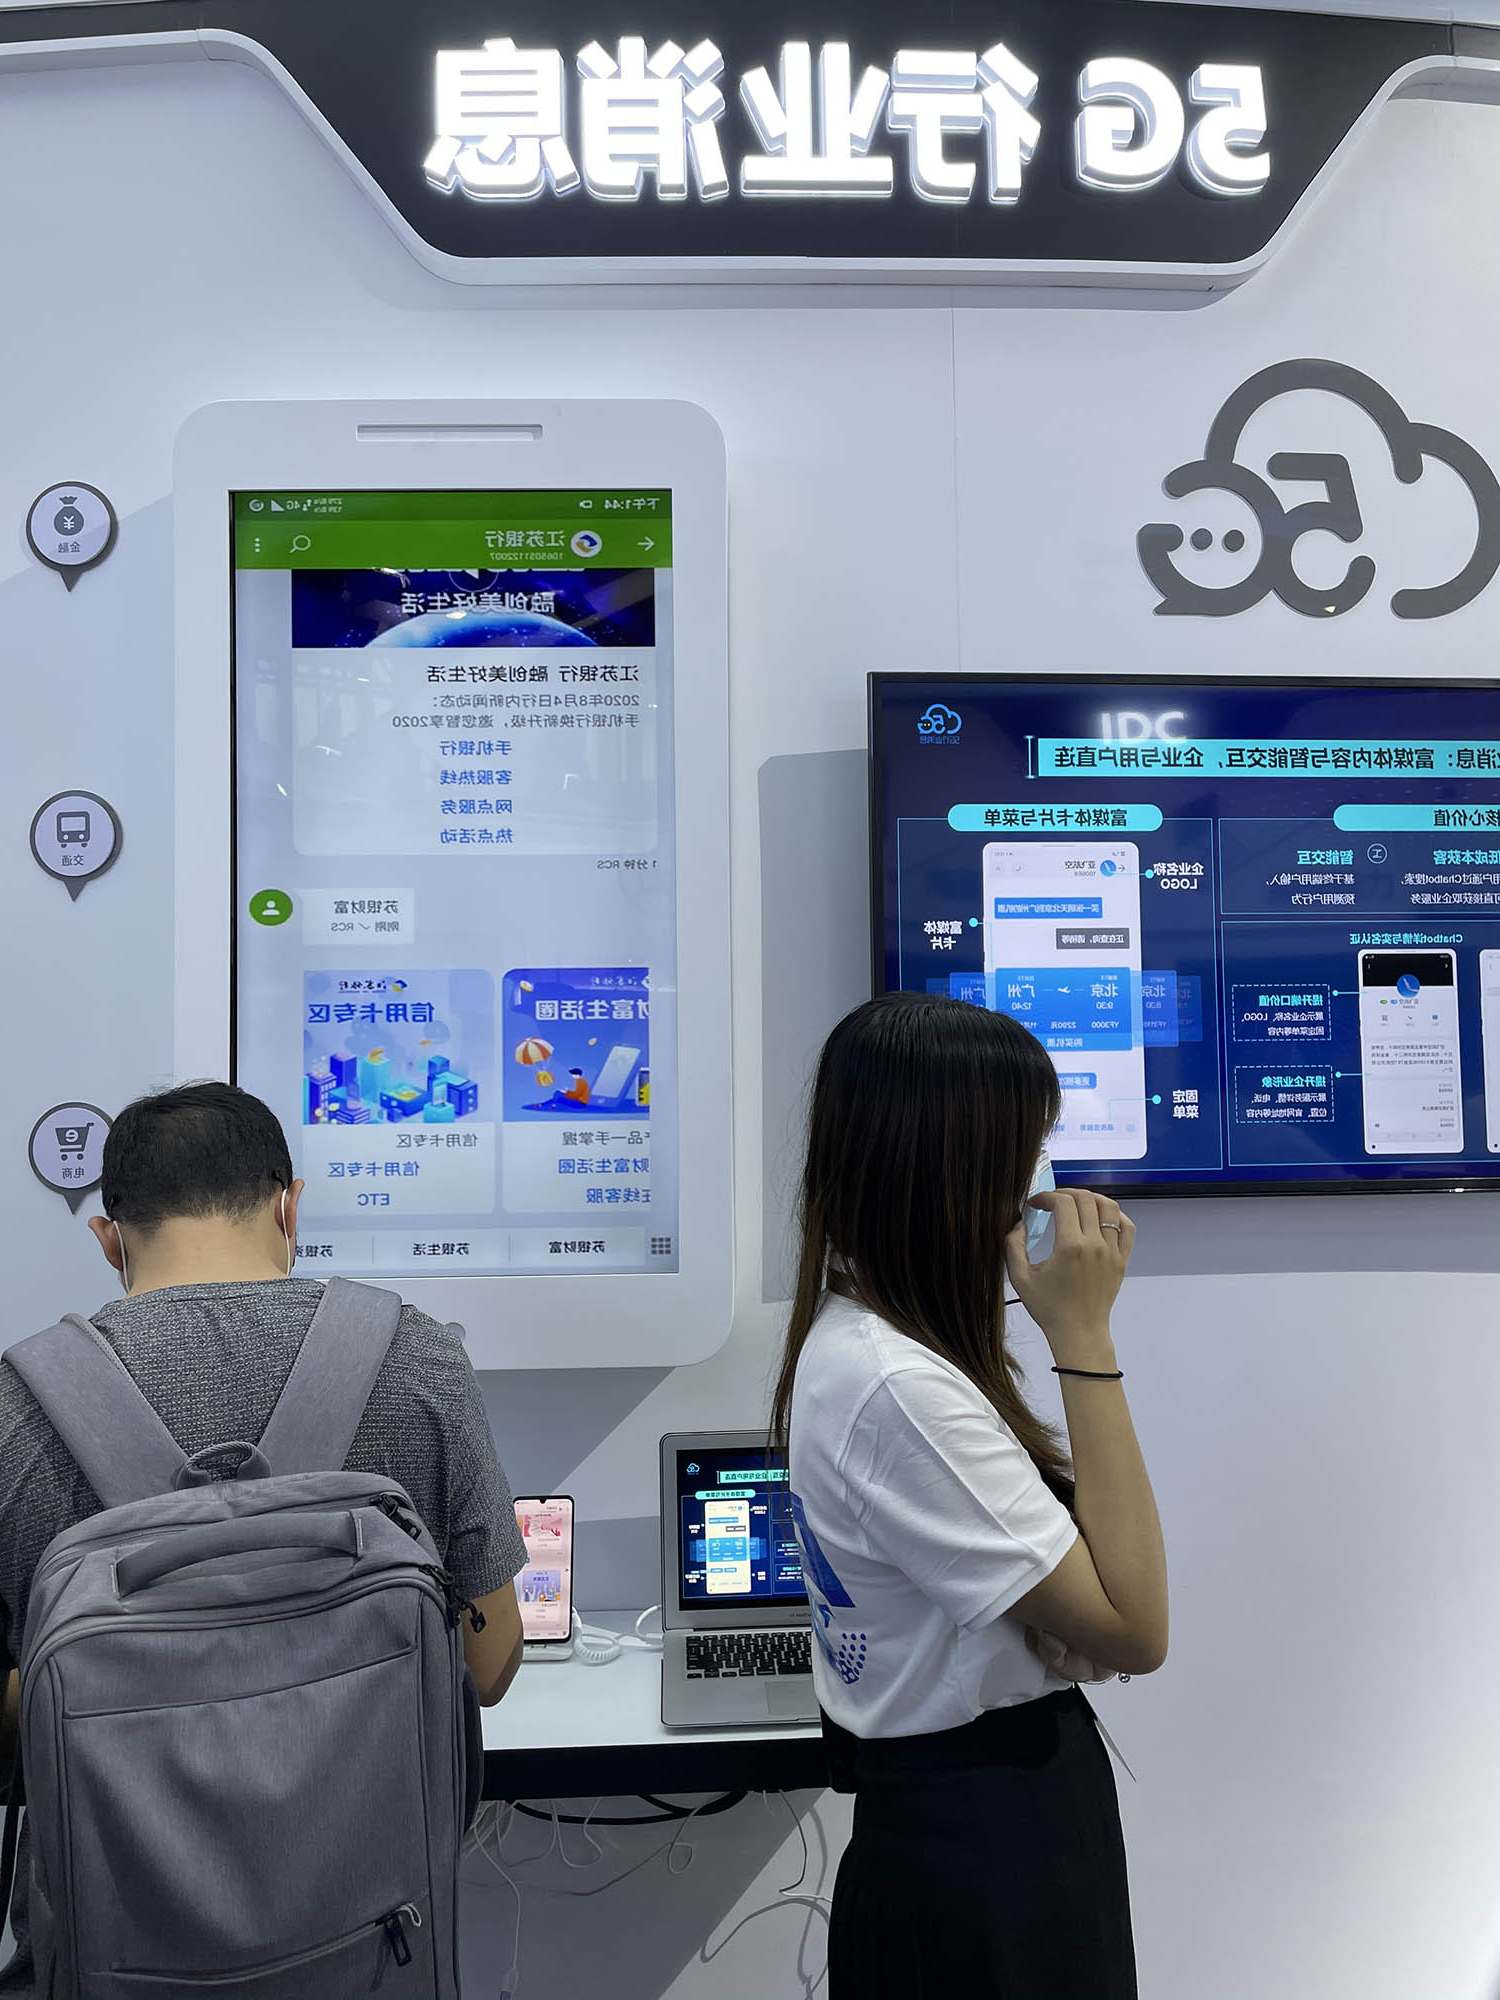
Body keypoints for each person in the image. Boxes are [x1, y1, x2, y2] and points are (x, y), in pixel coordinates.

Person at [0, 1082, 526, 1993]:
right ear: (290, 1207)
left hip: (117, 1960)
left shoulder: (17, 1409)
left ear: (109, 1238)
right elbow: (488, 1664)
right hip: (371, 1951)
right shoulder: (418, 1357)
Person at [772, 994, 1168, 2000]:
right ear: (956, 1168)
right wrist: (1084, 1334)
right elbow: (1135, 1625)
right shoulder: (896, 1386)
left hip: (970, 1826)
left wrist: (1063, 1612)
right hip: (984, 1852)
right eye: (1030, 1150)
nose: (1044, 1185)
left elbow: (1086, 1609)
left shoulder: (871, 1345)